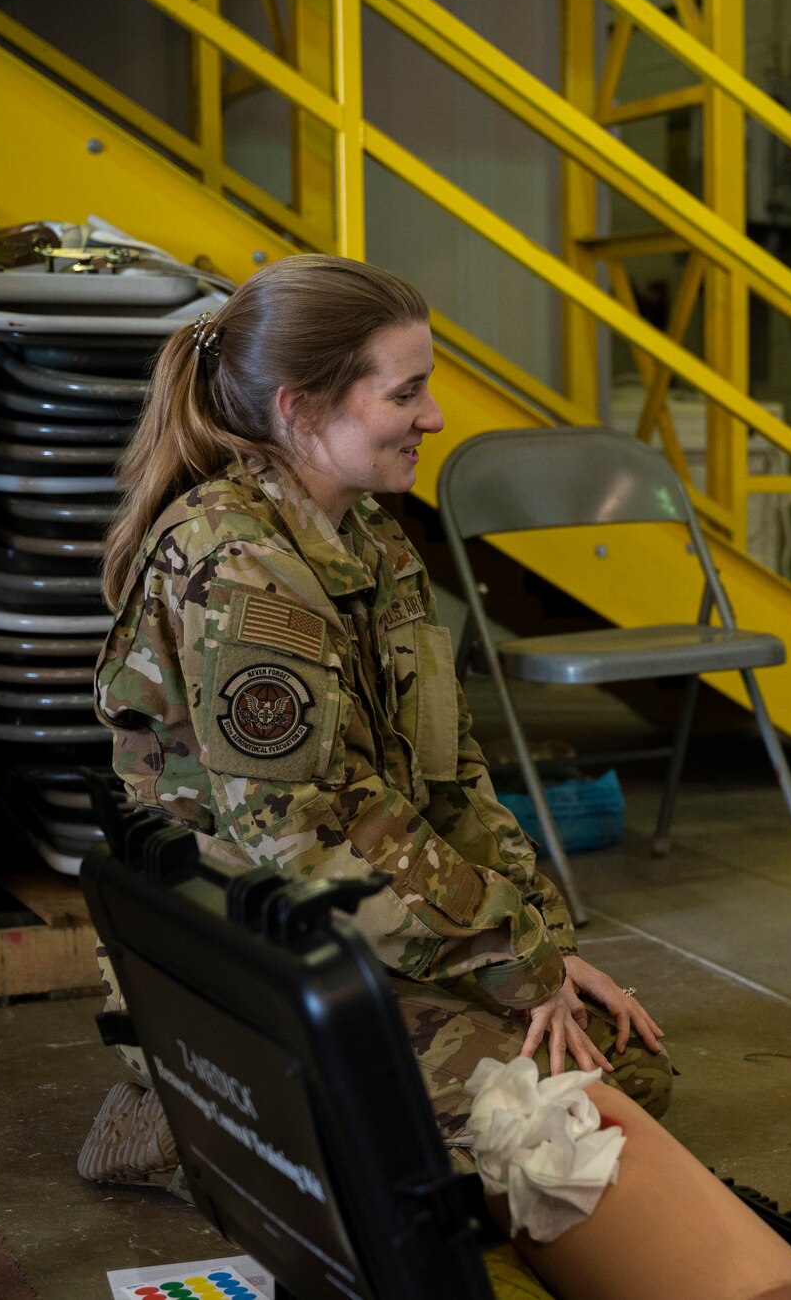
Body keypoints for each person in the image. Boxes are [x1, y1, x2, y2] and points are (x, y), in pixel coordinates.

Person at [84, 254, 669, 1190]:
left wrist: (545, 952)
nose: (433, 418)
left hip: (353, 922)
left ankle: (272, 1117)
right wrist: (507, 958)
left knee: (614, 1070)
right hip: (245, 953)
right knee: (557, 1126)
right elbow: (308, 839)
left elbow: (449, 773)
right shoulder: (235, 564)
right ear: (300, 409)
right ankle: (186, 1112)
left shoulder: (368, 537)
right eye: (407, 393)